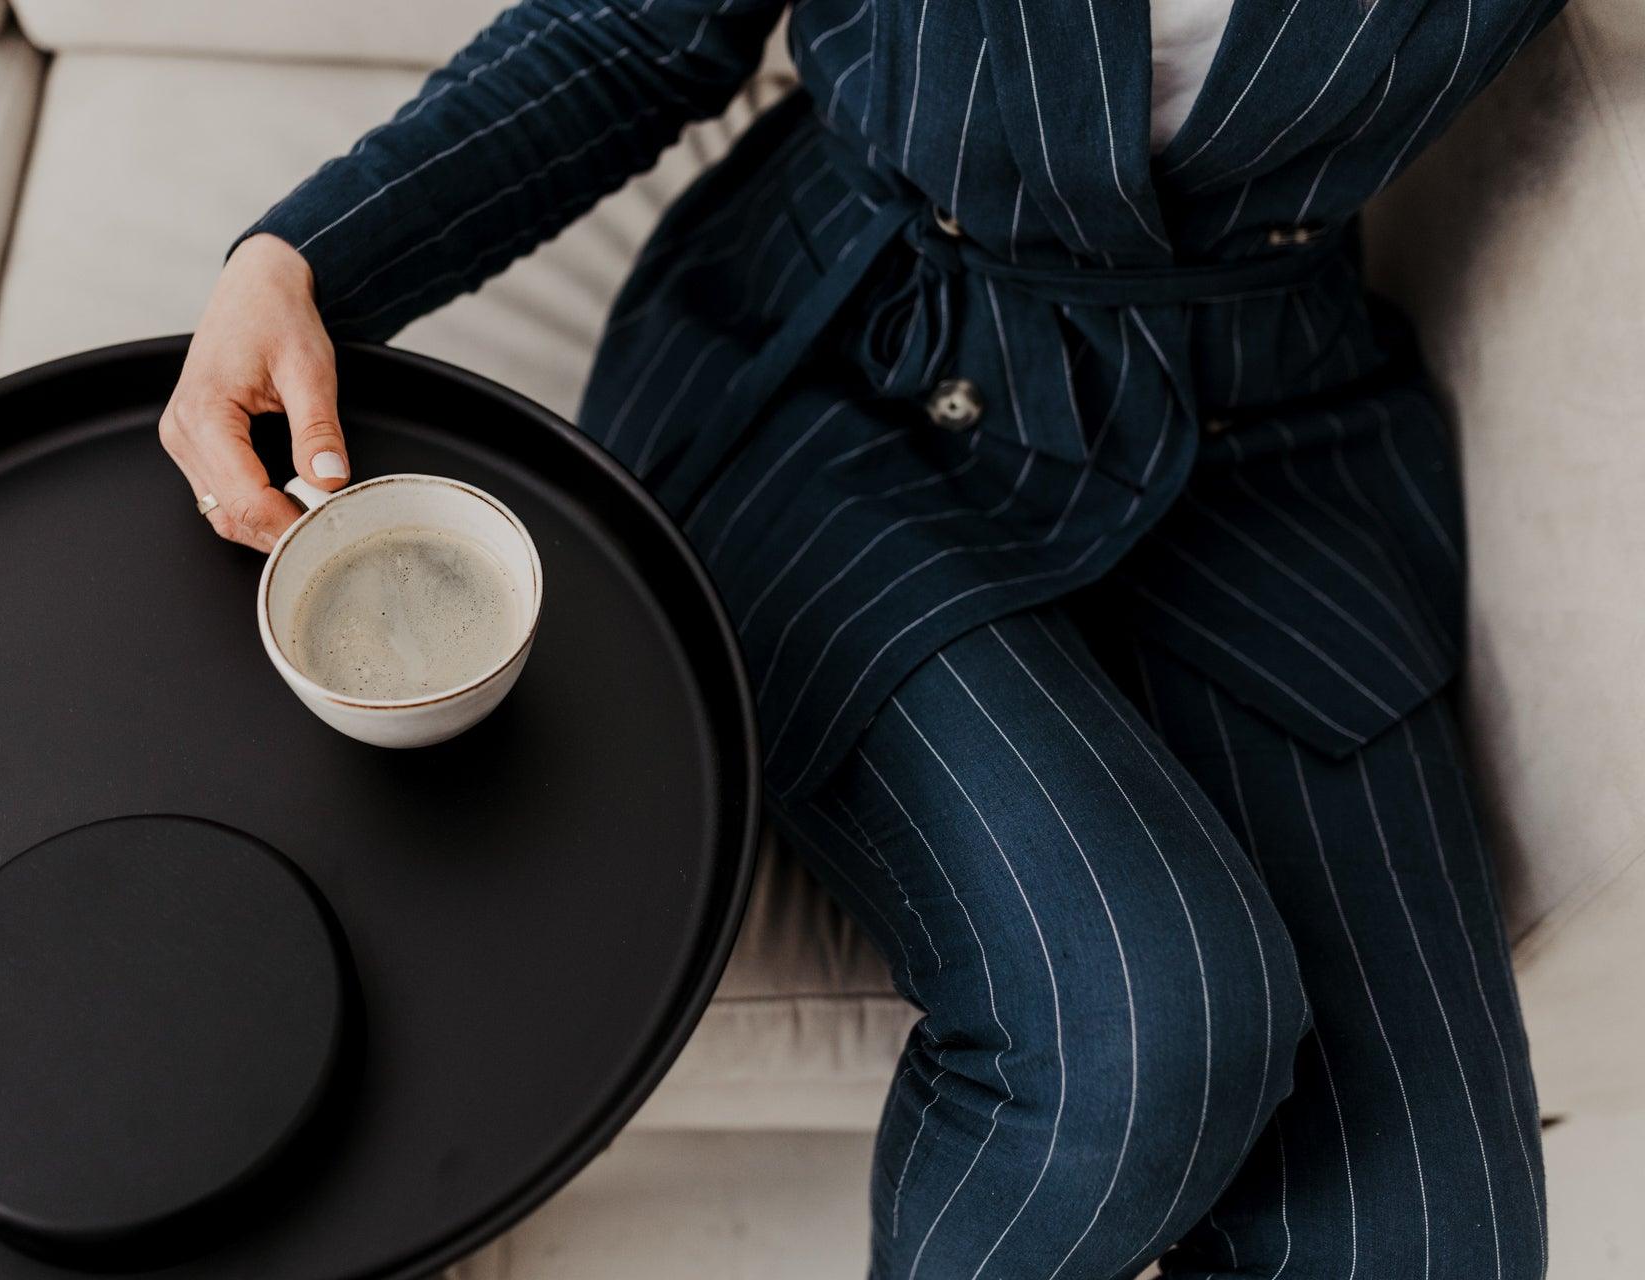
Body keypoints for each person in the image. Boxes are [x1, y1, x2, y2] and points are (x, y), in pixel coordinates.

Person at [159, 0, 1560, 1273]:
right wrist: (306, 261)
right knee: (1140, 1031)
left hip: (1265, 424)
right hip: (854, 369)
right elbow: (639, 29)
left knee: (1433, 1243)